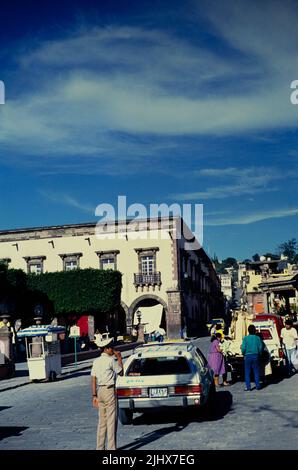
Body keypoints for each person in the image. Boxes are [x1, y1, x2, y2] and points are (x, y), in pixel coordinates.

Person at [91, 338, 123, 450]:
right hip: (109, 390)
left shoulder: (96, 361)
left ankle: (100, 448)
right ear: (107, 349)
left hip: (100, 391)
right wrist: (119, 358)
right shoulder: (111, 361)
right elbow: (121, 372)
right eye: (112, 348)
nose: (113, 350)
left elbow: (93, 379)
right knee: (111, 421)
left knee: (102, 422)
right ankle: (111, 448)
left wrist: (94, 395)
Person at [241, 324, 263, 391]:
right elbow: (260, 347)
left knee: (247, 372)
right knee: (256, 371)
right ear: (255, 331)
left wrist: (243, 353)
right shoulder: (258, 338)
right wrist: (260, 353)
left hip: (247, 356)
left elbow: (243, 348)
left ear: (248, 331)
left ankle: (248, 387)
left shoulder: (245, 338)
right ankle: (258, 386)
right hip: (256, 356)